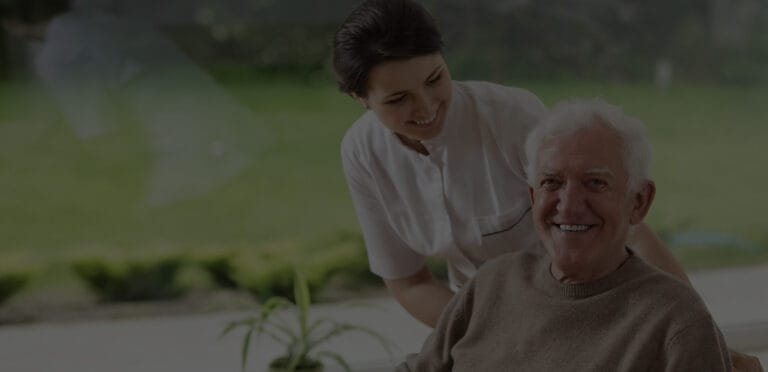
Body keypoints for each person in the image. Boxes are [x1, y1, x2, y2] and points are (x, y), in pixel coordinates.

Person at [333, 0, 687, 328]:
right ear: (360, 98)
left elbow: (630, 232)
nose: (426, 108)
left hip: (584, 303)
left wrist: (699, 331)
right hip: (478, 321)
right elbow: (409, 282)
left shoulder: (512, 118)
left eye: (434, 80)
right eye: (398, 99)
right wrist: (486, 334)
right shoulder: (363, 153)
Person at [397, 99, 735, 371]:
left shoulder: (675, 323)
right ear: (533, 197)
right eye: (552, 183)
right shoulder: (491, 285)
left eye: (595, 182)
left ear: (639, 201)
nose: (569, 205)